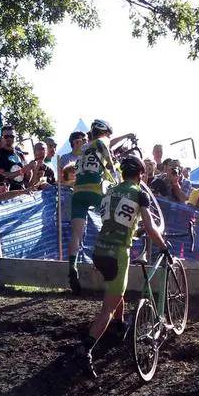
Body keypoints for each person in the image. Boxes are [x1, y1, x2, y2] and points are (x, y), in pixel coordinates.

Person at [80, 154, 168, 377]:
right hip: (118, 252)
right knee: (107, 308)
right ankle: (86, 349)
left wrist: (134, 231)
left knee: (116, 291)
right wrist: (164, 246)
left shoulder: (111, 191)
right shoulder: (139, 194)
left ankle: (120, 326)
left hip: (100, 249)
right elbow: (150, 227)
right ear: (141, 174)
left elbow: (117, 221)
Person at [68, 118, 118, 294]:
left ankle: (72, 267)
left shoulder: (84, 147)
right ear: (104, 132)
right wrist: (114, 168)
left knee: (76, 233)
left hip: (78, 191)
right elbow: (108, 156)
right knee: (111, 221)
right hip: (95, 188)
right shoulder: (102, 140)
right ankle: (105, 259)